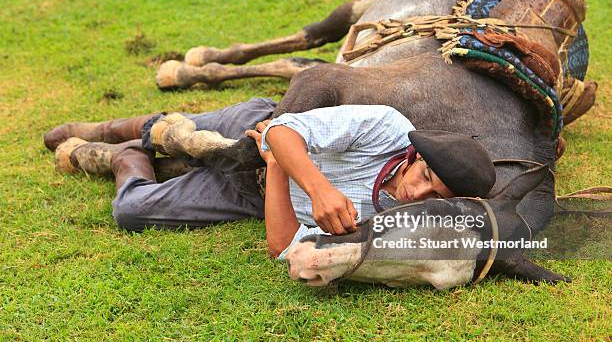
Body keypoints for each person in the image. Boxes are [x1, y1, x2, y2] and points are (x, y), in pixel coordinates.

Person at [45, 97, 496, 258]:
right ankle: (108, 133)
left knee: (131, 210)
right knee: (162, 134)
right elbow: (282, 130)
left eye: (436, 195)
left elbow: (283, 246)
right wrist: (318, 188)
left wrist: (279, 169)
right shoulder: (387, 125)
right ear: (415, 154)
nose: (418, 192)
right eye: (425, 174)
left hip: (255, 192)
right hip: (257, 125)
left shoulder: (397, 230)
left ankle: (121, 159)